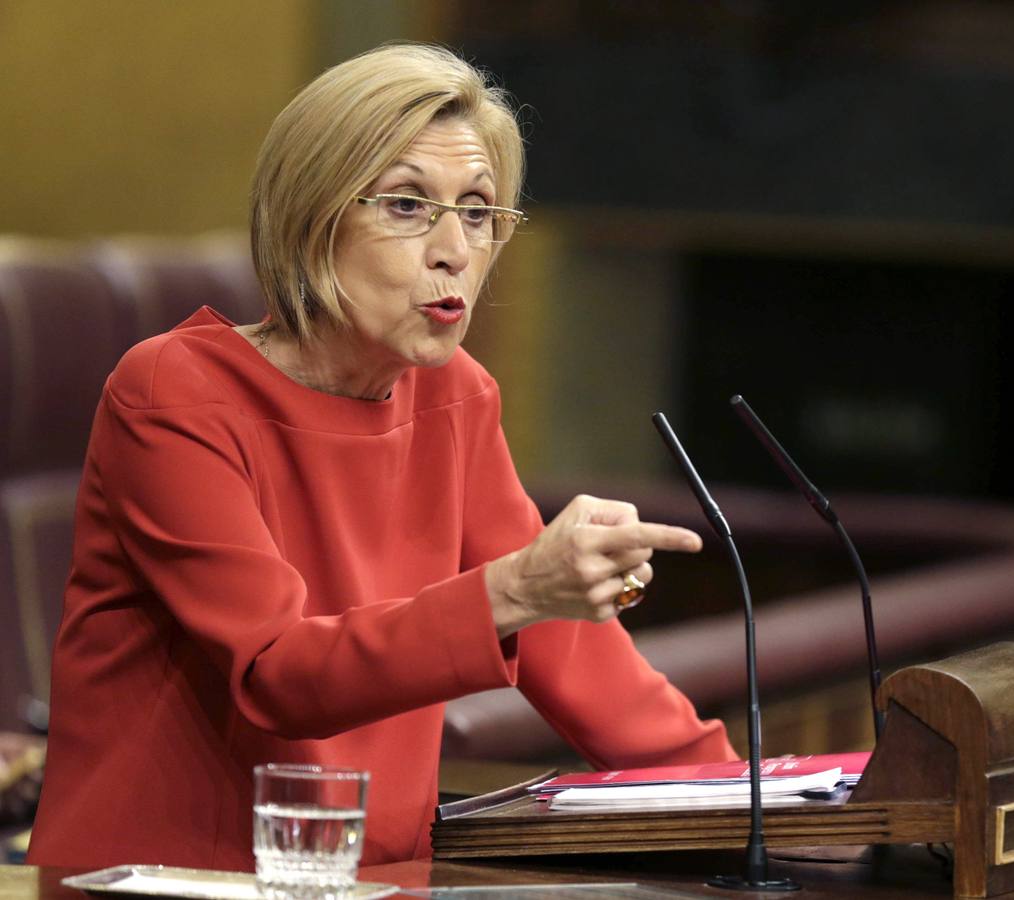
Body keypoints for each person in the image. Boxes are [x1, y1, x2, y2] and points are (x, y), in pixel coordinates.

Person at [27, 43, 735, 870]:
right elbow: (277, 671)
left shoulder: (455, 396)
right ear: (311, 216)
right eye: (406, 206)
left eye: (477, 212)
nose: (454, 251)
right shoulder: (174, 391)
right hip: (170, 878)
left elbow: (574, 657)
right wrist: (513, 588)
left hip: (372, 874)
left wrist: (763, 803)